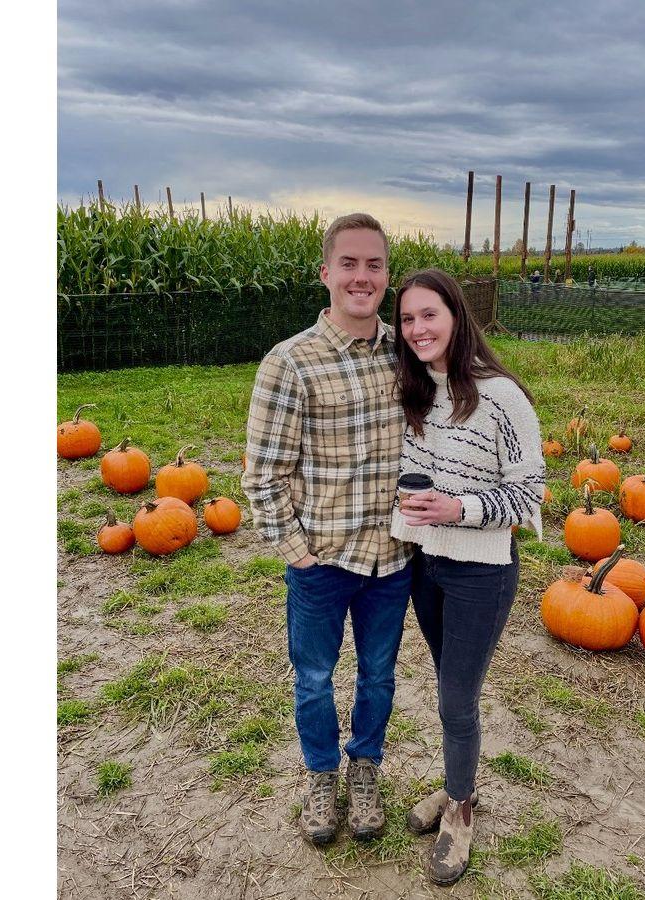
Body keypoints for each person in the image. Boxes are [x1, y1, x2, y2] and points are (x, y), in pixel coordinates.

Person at [242, 213, 413, 847]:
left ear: (387, 276)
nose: (361, 277)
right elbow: (263, 473)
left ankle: (364, 767)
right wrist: (298, 552)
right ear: (326, 273)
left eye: (374, 265)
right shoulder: (289, 363)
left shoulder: (408, 351)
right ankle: (320, 775)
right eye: (349, 264)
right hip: (323, 560)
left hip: (392, 559)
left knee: (379, 673)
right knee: (313, 677)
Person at [389, 269, 545, 885]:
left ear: (456, 315)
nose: (418, 329)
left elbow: (529, 496)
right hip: (424, 564)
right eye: (407, 320)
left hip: (482, 571)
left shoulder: (501, 397)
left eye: (429, 314)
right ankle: (458, 780)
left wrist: (460, 509)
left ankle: (461, 810)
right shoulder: (415, 391)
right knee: (448, 686)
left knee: (457, 696)